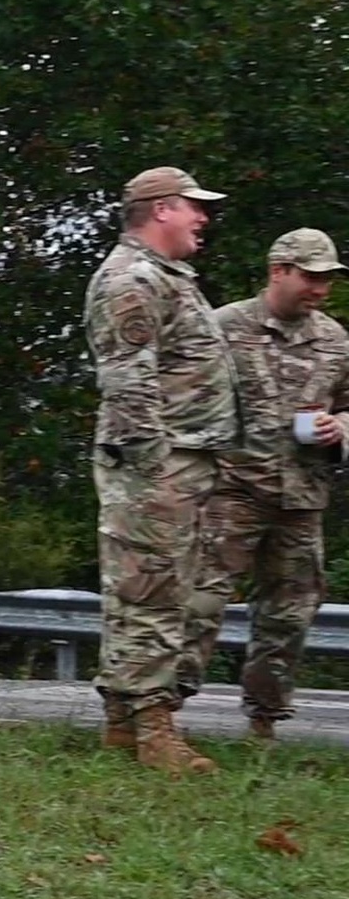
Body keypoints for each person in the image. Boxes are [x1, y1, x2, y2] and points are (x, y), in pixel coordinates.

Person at [83, 165, 240, 774]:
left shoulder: (166, 277)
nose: (203, 217)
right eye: (194, 206)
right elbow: (128, 381)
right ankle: (155, 729)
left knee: (142, 590)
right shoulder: (132, 279)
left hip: (178, 459)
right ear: (161, 210)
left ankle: (123, 722)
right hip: (158, 463)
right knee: (157, 593)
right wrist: (154, 471)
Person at [181, 228, 349, 742]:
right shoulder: (223, 327)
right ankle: (159, 713)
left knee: (289, 613)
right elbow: (184, 397)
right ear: (279, 270)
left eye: (327, 280)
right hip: (231, 490)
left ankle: (264, 721)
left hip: (301, 497)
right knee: (199, 603)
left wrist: (340, 427)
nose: (320, 289)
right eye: (311, 277)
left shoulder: (337, 340)